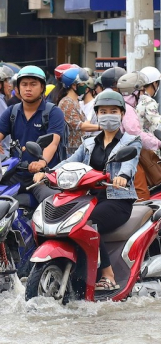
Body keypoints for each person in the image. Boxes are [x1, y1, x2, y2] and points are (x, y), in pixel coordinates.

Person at [34, 90, 142, 292]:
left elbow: (130, 163)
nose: (107, 115)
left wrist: (123, 177)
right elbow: (69, 162)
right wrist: (47, 172)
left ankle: (108, 274)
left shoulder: (131, 141)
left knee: (87, 223)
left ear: (121, 113)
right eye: (103, 111)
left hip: (117, 200)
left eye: (113, 111)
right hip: (88, 199)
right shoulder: (89, 142)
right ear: (97, 114)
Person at [0, 66, 66, 203]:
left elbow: (52, 142)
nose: (28, 88)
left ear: (42, 87)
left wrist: (41, 163)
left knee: (53, 203)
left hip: (43, 174)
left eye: (33, 84)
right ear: (17, 88)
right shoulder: (12, 112)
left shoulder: (53, 112)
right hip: (15, 173)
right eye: (24, 84)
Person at [116, 72, 161, 151]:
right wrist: (159, 143)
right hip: (130, 151)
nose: (142, 94)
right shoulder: (128, 110)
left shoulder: (119, 104)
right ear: (135, 92)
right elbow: (135, 134)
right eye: (141, 91)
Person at [58, 67, 101, 155]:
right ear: (74, 85)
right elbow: (80, 125)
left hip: (78, 148)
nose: (85, 87)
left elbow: (85, 122)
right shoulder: (67, 103)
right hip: (71, 150)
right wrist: (102, 127)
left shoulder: (75, 101)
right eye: (82, 84)